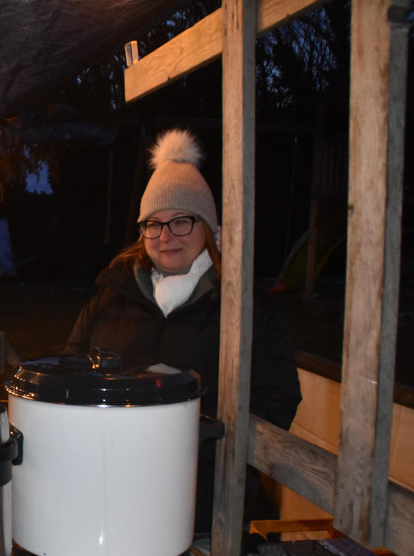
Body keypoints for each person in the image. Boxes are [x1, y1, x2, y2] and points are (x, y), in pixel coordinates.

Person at [65, 129, 302, 532]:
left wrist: (203, 441)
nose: (166, 237)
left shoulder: (247, 307)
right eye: (153, 224)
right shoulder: (109, 297)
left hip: (208, 504)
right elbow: (71, 375)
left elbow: (277, 397)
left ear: (207, 226)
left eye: (181, 221)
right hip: (114, 495)